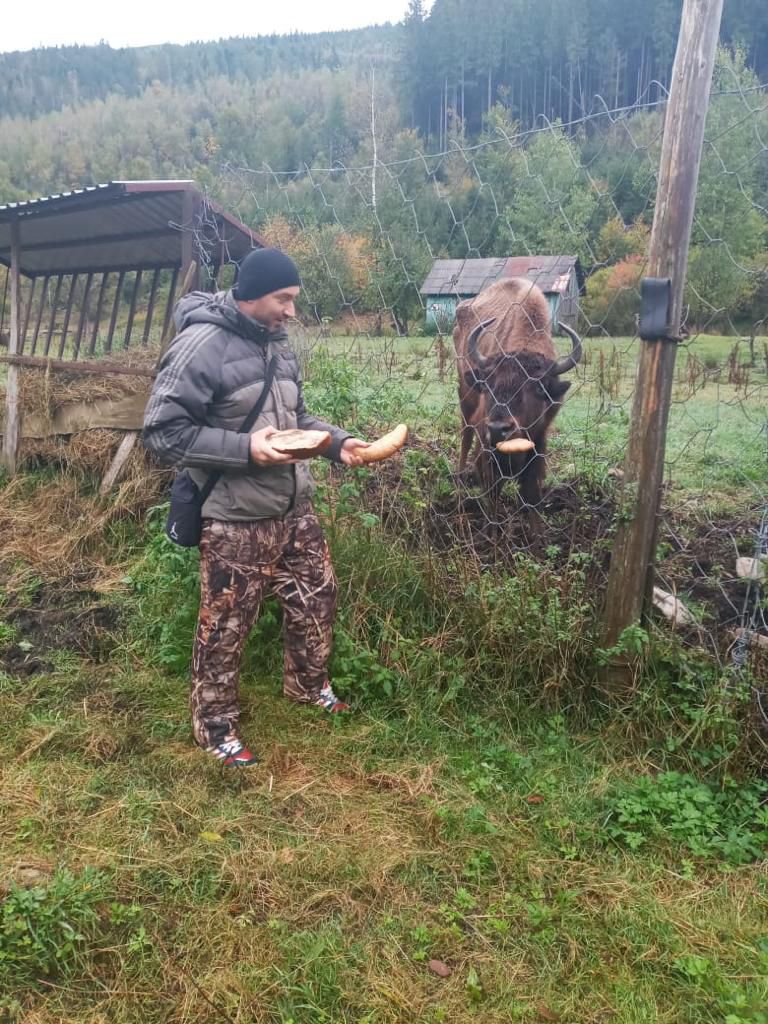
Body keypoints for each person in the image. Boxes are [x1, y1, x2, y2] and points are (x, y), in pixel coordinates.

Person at [143, 247, 369, 768]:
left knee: (317, 595)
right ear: (249, 296)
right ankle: (215, 725)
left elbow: (296, 415)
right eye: (283, 299)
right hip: (235, 515)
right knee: (226, 623)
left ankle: (308, 687)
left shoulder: (278, 345)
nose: (291, 311)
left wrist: (337, 443)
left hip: (294, 507)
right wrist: (244, 450)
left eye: (294, 300)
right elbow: (162, 432)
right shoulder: (202, 344)